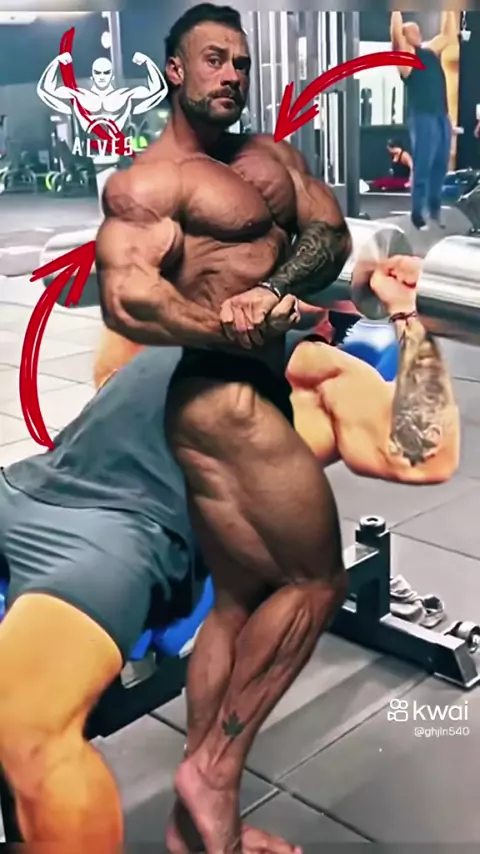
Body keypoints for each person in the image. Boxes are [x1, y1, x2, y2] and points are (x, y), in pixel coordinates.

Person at [94, 6, 457, 852]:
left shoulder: (271, 157)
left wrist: (276, 288)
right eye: (212, 60)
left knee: (239, 600)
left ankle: (201, 828)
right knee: (316, 582)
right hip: (219, 398)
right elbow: (128, 298)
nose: (230, 75)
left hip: (255, 384)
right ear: (175, 71)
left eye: (240, 63)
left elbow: (325, 234)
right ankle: (213, 773)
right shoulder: (152, 181)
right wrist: (226, 325)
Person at [0, 347, 303, 854]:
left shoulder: (311, 363)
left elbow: (415, 449)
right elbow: (109, 368)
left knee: (23, 724)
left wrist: (402, 318)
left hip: (117, 527)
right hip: (26, 482)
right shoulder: (172, 335)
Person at [94, 255, 459, 485]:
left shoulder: (316, 372)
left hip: (120, 537)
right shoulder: (156, 332)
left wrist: (407, 312)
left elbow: (422, 460)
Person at [390, 11, 458, 228]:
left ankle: (434, 211)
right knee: (423, 165)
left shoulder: (429, 51)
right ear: (406, 36)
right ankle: (418, 214)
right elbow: (395, 34)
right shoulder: (405, 59)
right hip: (422, 117)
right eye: (413, 31)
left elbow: (448, 36)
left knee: (440, 165)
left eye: (419, 30)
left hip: (441, 116)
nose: (418, 33)